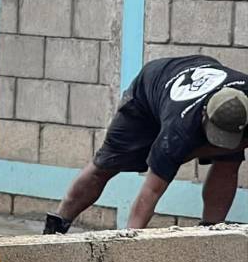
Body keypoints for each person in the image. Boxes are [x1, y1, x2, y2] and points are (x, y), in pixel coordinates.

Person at [45, 56, 248, 232]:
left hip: (201, 73)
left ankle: (211, 235)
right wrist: (130, 246)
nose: (222, 143)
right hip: (148, 92)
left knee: (228, 160)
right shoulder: (177, 131)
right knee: (105, 165)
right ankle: (56, 228)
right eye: (217, 135)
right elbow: (151, 193)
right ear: (204, 114)